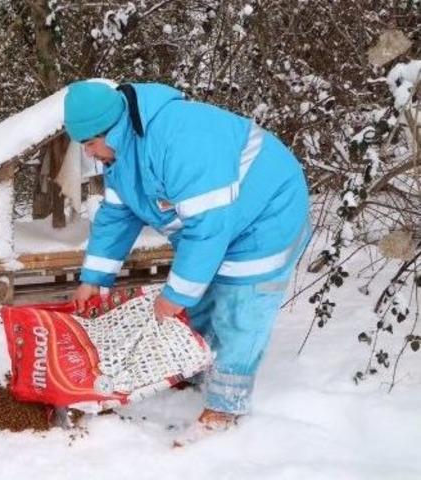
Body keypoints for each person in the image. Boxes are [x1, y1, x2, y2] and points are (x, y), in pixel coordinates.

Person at [63, 80, 310, 445]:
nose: (90, 154)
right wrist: (93, 278)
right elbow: (117, 216)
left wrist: (176, 294)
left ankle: (225, 407)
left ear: (109, 130)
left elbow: (208, 230)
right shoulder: (121, 153)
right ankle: (195, 368)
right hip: (218, 222)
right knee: (203, 300)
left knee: (240, 310)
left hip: (267, 215)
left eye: (90, 144)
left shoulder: (178, 139)